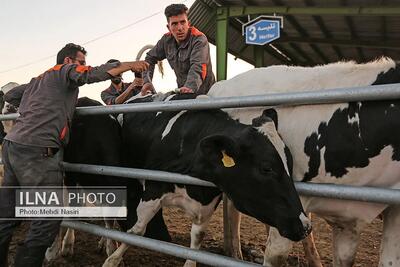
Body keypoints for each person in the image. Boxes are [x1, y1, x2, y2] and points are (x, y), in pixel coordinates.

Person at [0, 43, 148, 267]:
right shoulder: (63, 71)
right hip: (38, 150)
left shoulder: (38, 80)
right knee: (47, 219)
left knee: (7, 215)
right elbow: (93, 74)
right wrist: (129, 65)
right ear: (68, 61)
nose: (84, 66)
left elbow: (11, 95)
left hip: (11, 147)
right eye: (81, 63)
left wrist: (41, 106)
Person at [142, 3, 215, 96]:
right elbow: (149, 58)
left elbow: (198, 66)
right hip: (183, 93)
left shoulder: (199, 39)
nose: (180, 28)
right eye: (175, 24)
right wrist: (147, 82)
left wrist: (190, 87)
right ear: (168, 27)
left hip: (206, 94)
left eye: (183, 22)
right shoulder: (166, 40)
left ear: (188, 23)